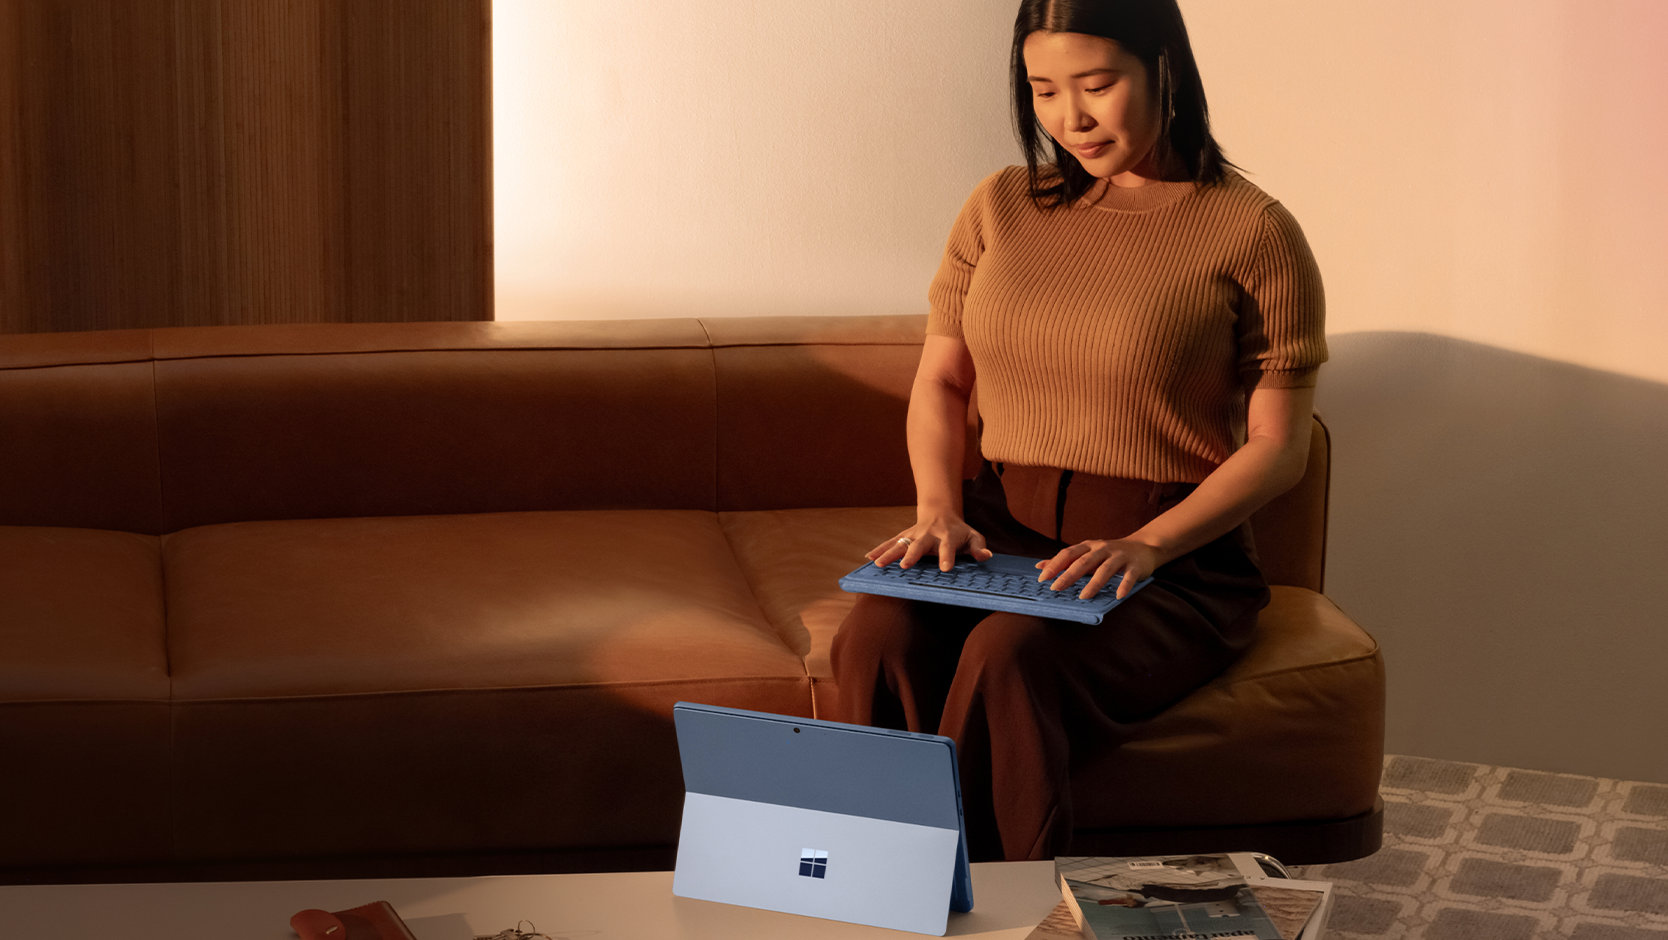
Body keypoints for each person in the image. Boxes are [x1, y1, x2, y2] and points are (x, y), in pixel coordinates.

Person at [829, 0, 1327, 863]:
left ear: (1164, 69)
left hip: (1168, 561)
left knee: (1009, 650)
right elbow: (944, 381)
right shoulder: (1001, 206)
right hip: (1001, 528)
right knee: (875, 635)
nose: (1071, 118)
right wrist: (940, 509)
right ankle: (866, 890)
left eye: (1097, 85)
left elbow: (1278, 446)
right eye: (1044, 90)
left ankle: (1005, 908)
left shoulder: (1254, 231)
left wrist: (1145, 546)